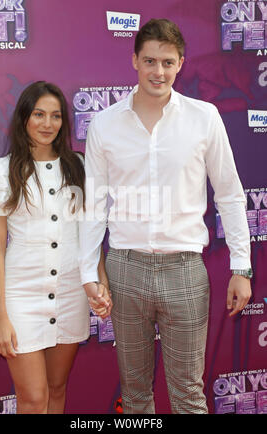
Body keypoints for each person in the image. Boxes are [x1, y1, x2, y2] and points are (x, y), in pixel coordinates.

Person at [79, 19, 252, 414]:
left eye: (168, 62)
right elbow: (94, 205)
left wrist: (241, 266)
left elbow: (229, 192)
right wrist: (89, 272)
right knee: (135, 395)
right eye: (150, 61)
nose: (159, 71)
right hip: (125, 270)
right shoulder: (104, 124)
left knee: (189, 395)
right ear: (135, 61)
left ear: (181, 64)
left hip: (185, 269)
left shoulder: (204, 117)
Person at [0, 81, 111, 414]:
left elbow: (89, 236)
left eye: (55, 116)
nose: (47, 124)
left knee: (56, 388)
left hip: (70, 293)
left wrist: (101, 281)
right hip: (22, 296)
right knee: (34, 398)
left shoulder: (80, 167)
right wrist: (0, 318)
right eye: (39, 114)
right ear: (24, 117)